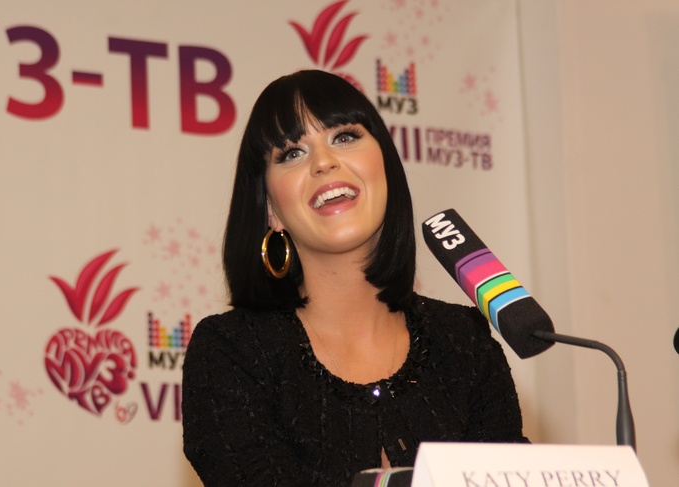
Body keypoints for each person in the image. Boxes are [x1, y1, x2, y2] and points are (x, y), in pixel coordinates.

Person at [181, 69, 527, 487]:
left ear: (385, 167)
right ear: (270, 209)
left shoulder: (464, 341)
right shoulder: (231, 351)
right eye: (292, 153)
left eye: (344, 137)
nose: (324, 162)